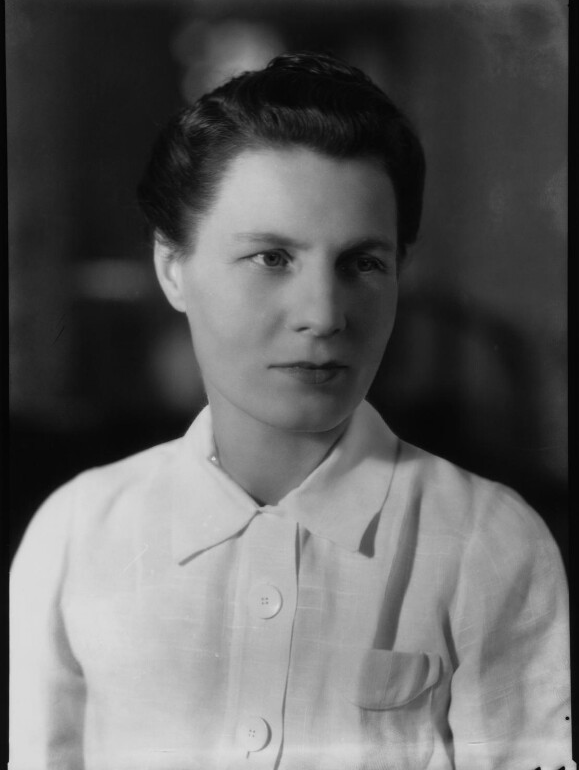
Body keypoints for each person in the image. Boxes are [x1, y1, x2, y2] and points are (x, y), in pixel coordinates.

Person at [10, 51, 572, 770]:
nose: (323, 314)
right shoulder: (76, 533)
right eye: (272, 258)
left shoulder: (486, 540)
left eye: (362, 263)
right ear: (172, 267)